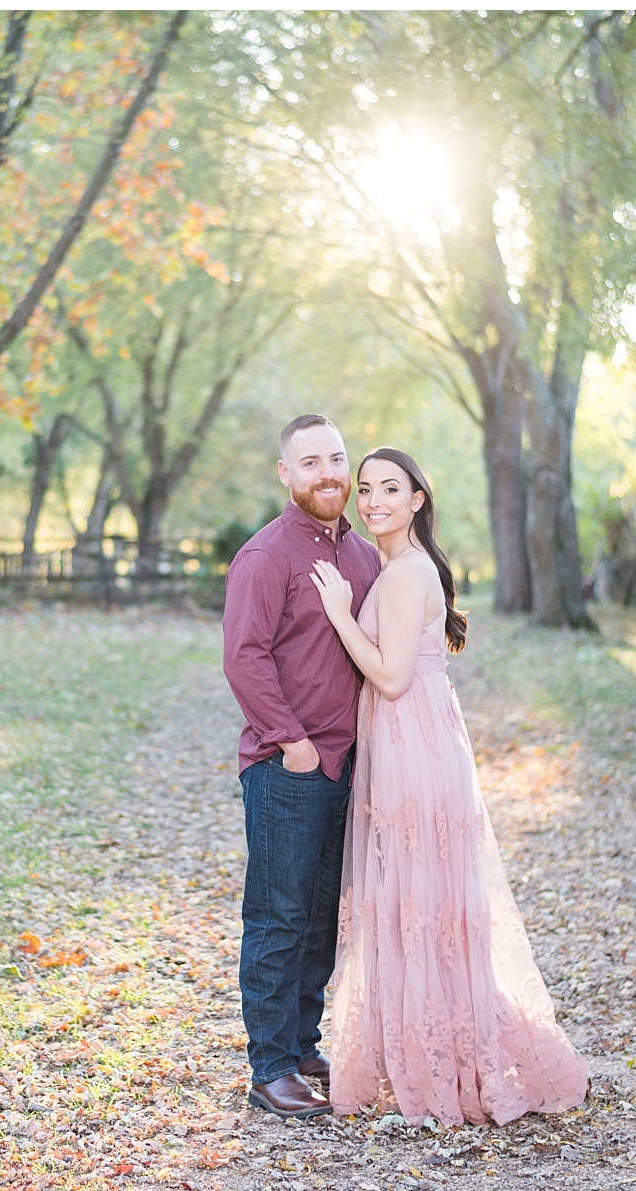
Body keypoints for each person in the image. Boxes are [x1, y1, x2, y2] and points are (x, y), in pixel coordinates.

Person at [308, 447, 588, 1125]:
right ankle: (433, 1053)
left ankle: (441, 1068)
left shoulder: (406, 573)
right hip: (416, 740)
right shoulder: (399, 566)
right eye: (365, 489)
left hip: (413, 747)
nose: (372, 501)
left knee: (417, 901)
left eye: (389, 489)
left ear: (417, 500)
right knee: (416, 900)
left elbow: (393, 676)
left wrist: (342, 613)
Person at [221, 414, 381, 1119]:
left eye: (337, 458)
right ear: (285, 474)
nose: (327, 472)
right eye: (310, 461)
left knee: (322, 917)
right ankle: (270, 1067)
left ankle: (301, 1040)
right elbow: (244, 657)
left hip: (351, 765)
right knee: (279, 915)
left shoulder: (364, 558)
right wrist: (292, 741)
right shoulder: (266, 556)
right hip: (288, 766)